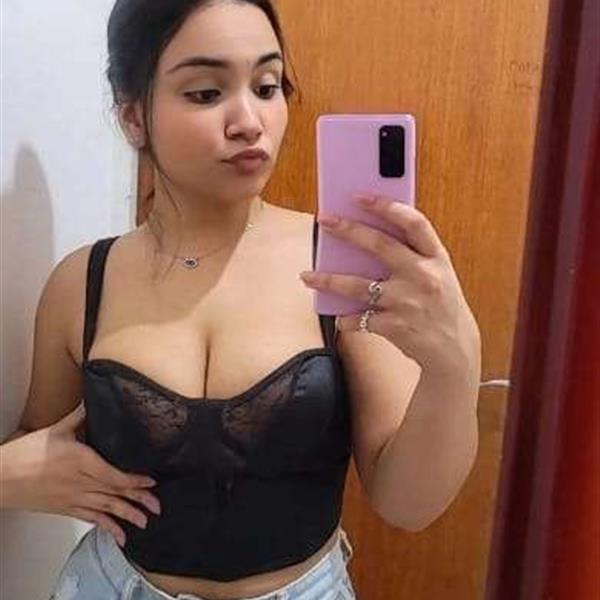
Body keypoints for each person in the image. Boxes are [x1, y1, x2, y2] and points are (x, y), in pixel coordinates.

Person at [0, 1, 483, 599]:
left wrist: (455, 363)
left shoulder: (341, 268)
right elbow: (37, 445)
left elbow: (407, 504)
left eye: (267, 86)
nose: (250, 121)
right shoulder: (81, 282)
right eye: (206, 93)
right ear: (134, 118)